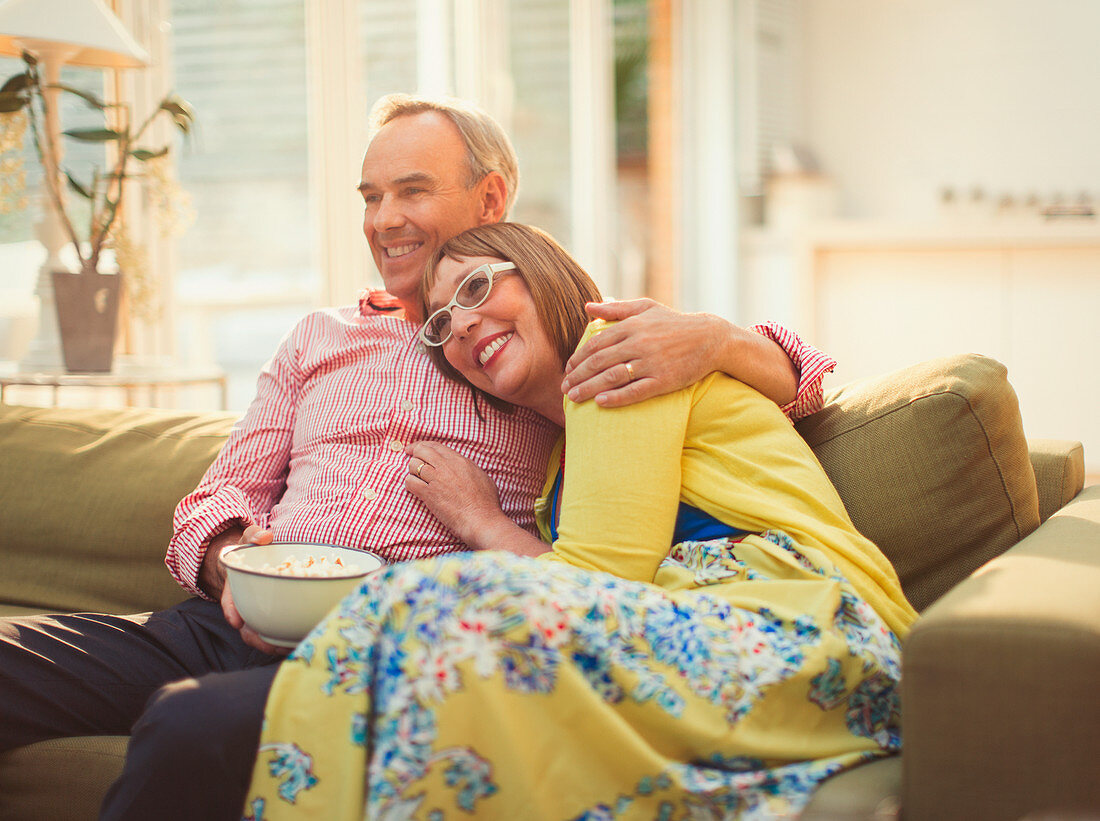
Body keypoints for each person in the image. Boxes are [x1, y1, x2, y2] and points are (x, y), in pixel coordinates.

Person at [0, 96, 831, 821]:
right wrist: (228, 565)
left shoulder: (534, 334)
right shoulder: (319, 337)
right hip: (226, 622)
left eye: (411, 190)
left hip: (386, 639)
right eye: (370, 196)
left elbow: (798, 389)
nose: (382, 217)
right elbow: (214, 496)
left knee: (188, 725)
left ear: (491, 197)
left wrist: (719, 336)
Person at [241, 222, 917, 820]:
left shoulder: (617, 355)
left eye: (476, 287)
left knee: (421, 602)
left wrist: (482, 523)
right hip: (725, 634)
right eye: (441, 322)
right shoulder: (564, 460)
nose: (464, 323)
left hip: (809, 629)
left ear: (537, 271)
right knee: (413, 646)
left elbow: (598, 580)